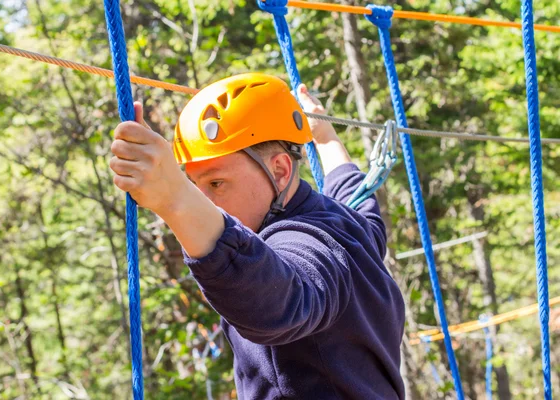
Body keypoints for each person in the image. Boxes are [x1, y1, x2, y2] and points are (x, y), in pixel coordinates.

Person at [109, 73, 405, 399]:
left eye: (216, 183)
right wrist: (324, 138)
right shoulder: (351, 226)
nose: (204, 201)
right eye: (194, 185)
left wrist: (175, 199)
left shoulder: (307, 242)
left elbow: (282, 301)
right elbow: (354, 195)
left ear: (280, 170)